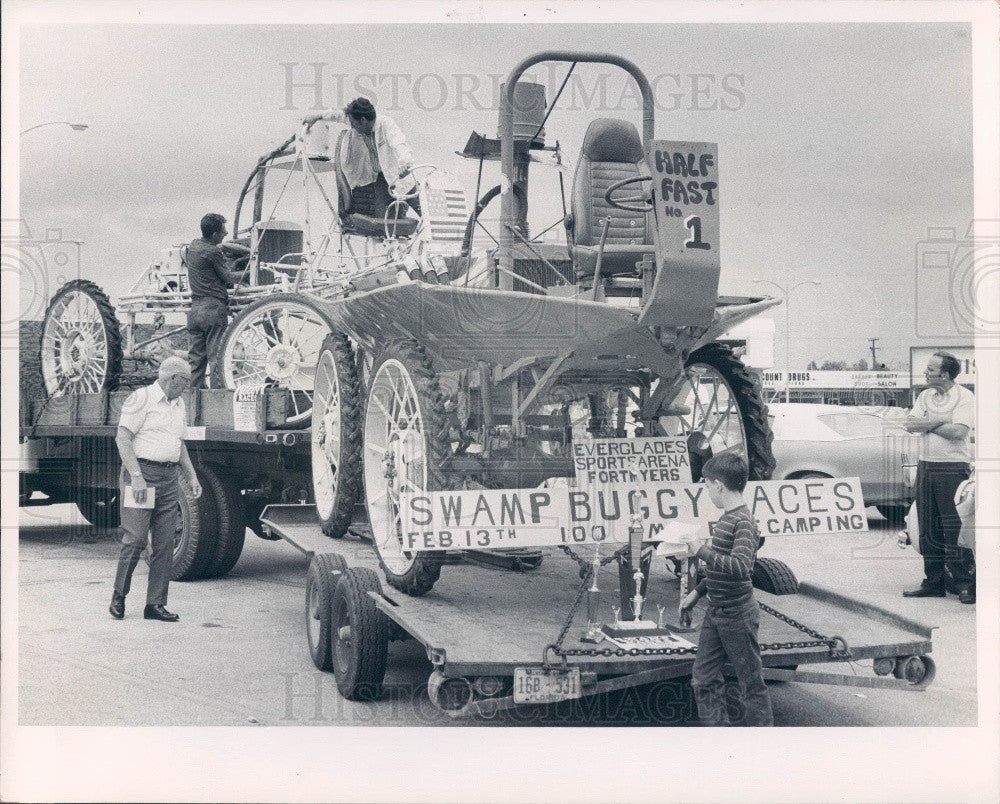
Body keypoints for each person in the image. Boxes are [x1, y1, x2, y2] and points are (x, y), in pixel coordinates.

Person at [677, 452, 773, 727]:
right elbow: (721, 567)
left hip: (737, 614)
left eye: (707, 485)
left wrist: (702, 551)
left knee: (751, 683)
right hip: (717, 612)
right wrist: (696, 594)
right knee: (703, 678)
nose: (707, 492)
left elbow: (741, 567)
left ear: (719, 485)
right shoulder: (727, 518)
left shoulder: (743, 521)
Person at [109, 357, 201, 622]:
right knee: (136, 539)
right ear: (173, 378)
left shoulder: (179, 404)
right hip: (143, 476)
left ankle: (155, 604)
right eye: (185, 381)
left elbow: (179, 444)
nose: (186, 387)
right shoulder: (141, 398)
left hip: (169, 479)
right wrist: (136, 477)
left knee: (164, 543)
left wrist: (192, 476)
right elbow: (123, 438)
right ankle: (119, 595)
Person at [902, 351, 975, 602]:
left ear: (944, 374)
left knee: (953, 528)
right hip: (926, 466)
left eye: (931, 370)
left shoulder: (964, 397)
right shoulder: (925, 395)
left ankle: (964, 584)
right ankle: (934, 582)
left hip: (952, 468)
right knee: (927, 527)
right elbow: (910, 424)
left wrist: (928, 421)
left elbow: (958, 432)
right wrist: (939, 419)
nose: (926, 373)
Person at [303, 97, 417, 218]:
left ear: (363, 120)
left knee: (425, 212)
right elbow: (337, 115)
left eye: (353, 124)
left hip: (399, 177)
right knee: (384, 223)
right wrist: (316, 116)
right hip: (381, 181)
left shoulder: (386, 124)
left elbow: (399, 143)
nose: (351, 126)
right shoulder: (358, 121)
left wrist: (405, 163)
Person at [186, 213, 245, 388]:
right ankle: (216, 402)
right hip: (212, 310)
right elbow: (228, 277)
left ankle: (194, 403)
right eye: (223, 232)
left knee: (196, 363)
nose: (226, 234)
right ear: (214, 235)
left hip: (195, 311)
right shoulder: (213, 251)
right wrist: (250, 271)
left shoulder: (193, 246)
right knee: (217, 360)